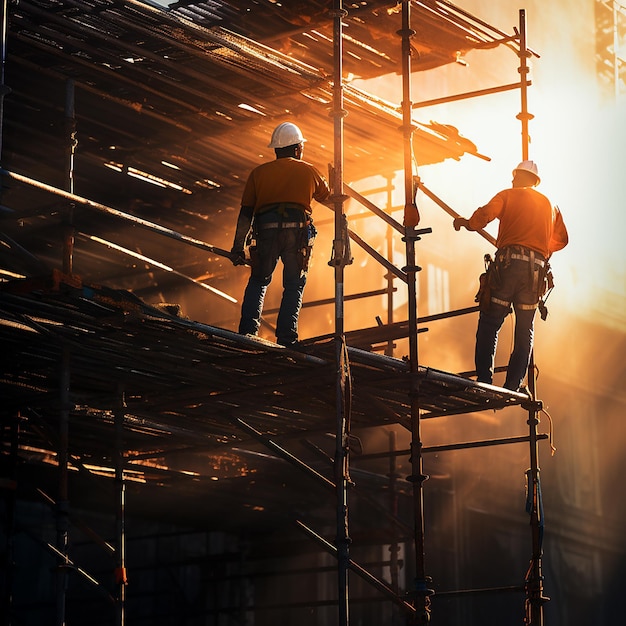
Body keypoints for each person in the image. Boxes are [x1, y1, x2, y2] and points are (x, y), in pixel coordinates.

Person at [453, 160, 569, 392]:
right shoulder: (551, 205)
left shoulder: (508, 195)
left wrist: (467, 223)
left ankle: (485, 382)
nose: (512, 180)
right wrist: (539, 248)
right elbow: (562, 240)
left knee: (490, 322)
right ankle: (513, 385)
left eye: (514, 176)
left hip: (509, 265)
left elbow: (485, 215)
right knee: (524, 329)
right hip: (535, 274)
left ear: (518, 177)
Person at [230, 122, 331, 347]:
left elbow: (245, 213)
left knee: (258, 280)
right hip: (296, 233)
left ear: (276, 149)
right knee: (294, 284)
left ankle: (247, 334)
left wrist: (237, 247)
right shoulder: (308, 170)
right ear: (297, 149)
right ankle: (287, 338)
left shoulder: (258, 174)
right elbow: (329, 197)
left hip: (266, 231)